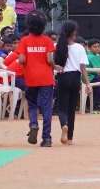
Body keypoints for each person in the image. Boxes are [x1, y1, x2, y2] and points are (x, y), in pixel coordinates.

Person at [14, 13, 56, 144]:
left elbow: (21, 59)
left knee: (32, 105)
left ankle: (33, 124)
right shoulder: (47, 40)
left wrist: (27, 65)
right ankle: (47, 138)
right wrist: (55, 67)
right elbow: (49, 59)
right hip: (46, 78)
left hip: (31, 78)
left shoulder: (25, 40)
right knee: (46, 108)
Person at [51, 20, 86, 145]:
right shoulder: (79, 47)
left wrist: (55, 67)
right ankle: (70, 138)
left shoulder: (57, 46)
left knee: (62, 107)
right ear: (73, 33)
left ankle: (63, 125)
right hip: (75, 77)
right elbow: (83, 67)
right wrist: (87, 83)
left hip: (63, 77)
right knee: (72, 108)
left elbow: (50, 62)